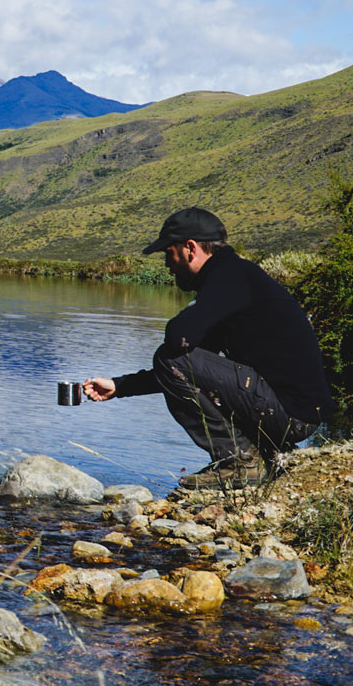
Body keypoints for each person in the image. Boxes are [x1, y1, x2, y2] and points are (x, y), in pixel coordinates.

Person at [84, 207, 334, 489]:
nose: (168, 264)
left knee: (168, 358)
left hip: (291, 416)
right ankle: (271, 453)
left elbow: (177, 342)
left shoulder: (229, 278)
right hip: (294, 413)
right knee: (175, 362)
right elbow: (188, 369)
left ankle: (240, 462)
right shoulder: (235, 277)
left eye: (169, 253)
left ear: (190, 248)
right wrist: (121, 386)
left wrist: (189, 316)